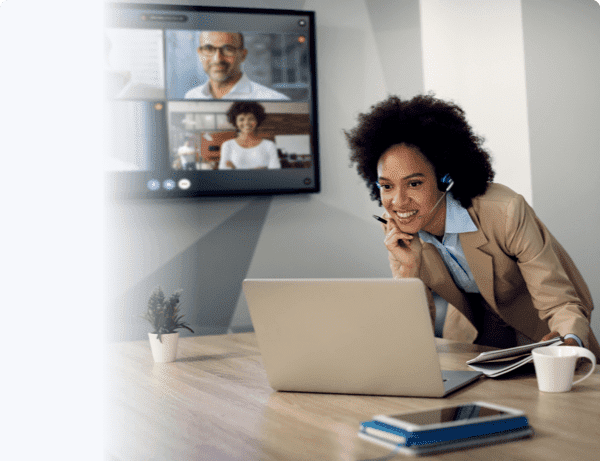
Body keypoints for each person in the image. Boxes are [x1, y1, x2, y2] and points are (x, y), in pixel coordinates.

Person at [345, 94, 600, 359]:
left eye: (414, 183)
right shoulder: (398, 230)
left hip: (539, 329)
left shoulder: (505, 212)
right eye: (386, 186)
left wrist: (569, 339)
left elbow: (558, 299)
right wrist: (409, 269)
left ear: (445, 178)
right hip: (474, 336)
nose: (398, 201)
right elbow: (411, 334)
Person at [184, 32, 290, 101]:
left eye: (228, 49)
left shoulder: (276, 100)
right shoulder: (191, 96)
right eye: (208, 49)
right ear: (200, 53)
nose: (217, 59)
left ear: (243, 55)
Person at [218, 102, 280, 170]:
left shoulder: (269, 145)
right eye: (241, 119)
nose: (246, 122)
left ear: (257, 121)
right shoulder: (228, 145)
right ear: (235, 122)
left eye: (251, 119)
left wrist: (235, 168)